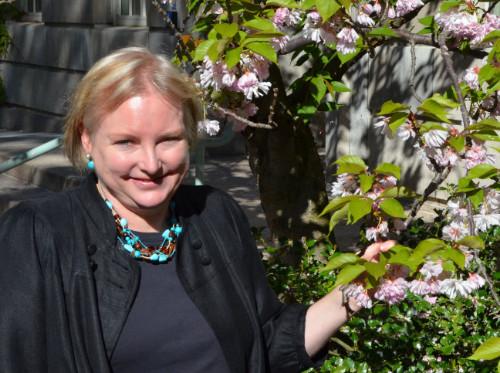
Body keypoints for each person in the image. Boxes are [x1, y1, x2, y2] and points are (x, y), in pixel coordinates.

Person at [0, 47, 393, 372]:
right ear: (87, 140)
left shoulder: (214, 215)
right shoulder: (38, 235)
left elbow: (265, 346)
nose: (151, 163)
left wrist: (355, 292)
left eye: (168, 139)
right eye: (126, 142)